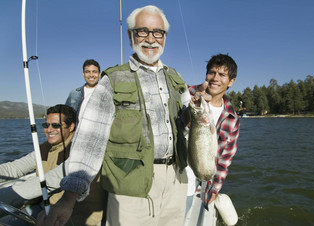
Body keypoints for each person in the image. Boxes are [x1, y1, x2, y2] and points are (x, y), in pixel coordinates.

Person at [37, 5, 192, 226]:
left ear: (164, 37)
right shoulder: (111, 80)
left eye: (158, 32)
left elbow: (186, 129)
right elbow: (91, 140)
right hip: (129, 186)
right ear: (130, 35)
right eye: (142, 31)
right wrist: (69, 197)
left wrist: (195, 113)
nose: (151, 39)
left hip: (177, 181)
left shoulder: (177, 79)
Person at [0, 105, 106, 226]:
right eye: (46, 125)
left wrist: (6, 195)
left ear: (71, 126)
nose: (49, 130)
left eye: (55, 125)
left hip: (72, 217)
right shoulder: (46, 148)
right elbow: (14, 168)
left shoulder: (82, 151)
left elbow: (50, 181)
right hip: (44, 207)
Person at [185, 53, 240, 225]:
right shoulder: (185, 93)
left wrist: (214, 189)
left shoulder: (232, 118)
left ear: (231, 81)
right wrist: (191, 104)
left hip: (191, 184)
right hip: (171, 175)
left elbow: (225, 159)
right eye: (212, 72)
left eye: (222, 74)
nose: (215, 78)